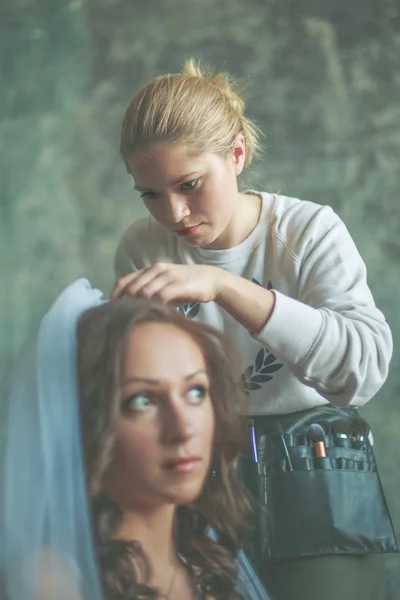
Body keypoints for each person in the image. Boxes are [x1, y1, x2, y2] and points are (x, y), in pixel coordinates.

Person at [111, 60, 397, 600]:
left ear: (236, 154)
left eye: (189, 184)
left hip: (318, 483)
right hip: (197, 481)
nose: (173, 212)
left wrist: (225, 287)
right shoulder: (140, 246)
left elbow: (361, 374)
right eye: (149, 194)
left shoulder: (310, 231)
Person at [0, 279, 270, 600]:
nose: (184, 429)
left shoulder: (208, 565)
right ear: (87, 419)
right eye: (143, 401)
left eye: (195, 392)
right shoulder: (51, 580)